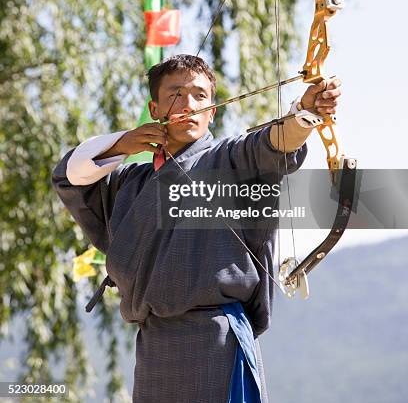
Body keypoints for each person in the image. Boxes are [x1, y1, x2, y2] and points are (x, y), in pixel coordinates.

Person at [52, 54, 341, 403]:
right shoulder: (128, 182)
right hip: (154, 345)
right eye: (176, 94)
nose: (188, 103)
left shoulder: (231, 160)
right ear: (155, 108)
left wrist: (305, 114)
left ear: (213, 110)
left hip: (216, 339)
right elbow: (68, 177)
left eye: (200, 95)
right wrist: (122, 144)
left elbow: (273, 144)